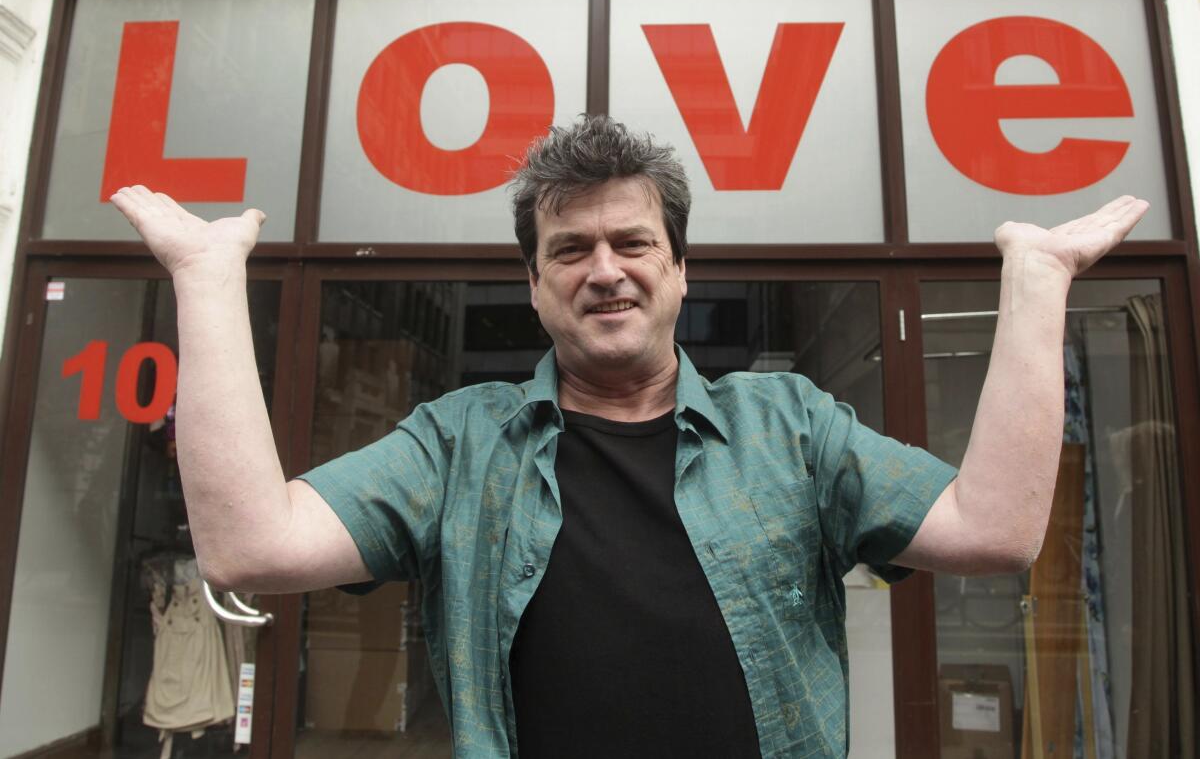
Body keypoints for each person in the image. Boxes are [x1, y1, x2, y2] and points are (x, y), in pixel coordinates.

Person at [109, 115, 1149, 758]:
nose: (603, 267)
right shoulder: (456, 443)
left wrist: (1037, 282)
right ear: (533, 283)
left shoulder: (788, 426)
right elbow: (251, 542)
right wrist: (205, 284)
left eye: (631, 240)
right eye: (569, 248)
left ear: (680, 268)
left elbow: (996, 527)